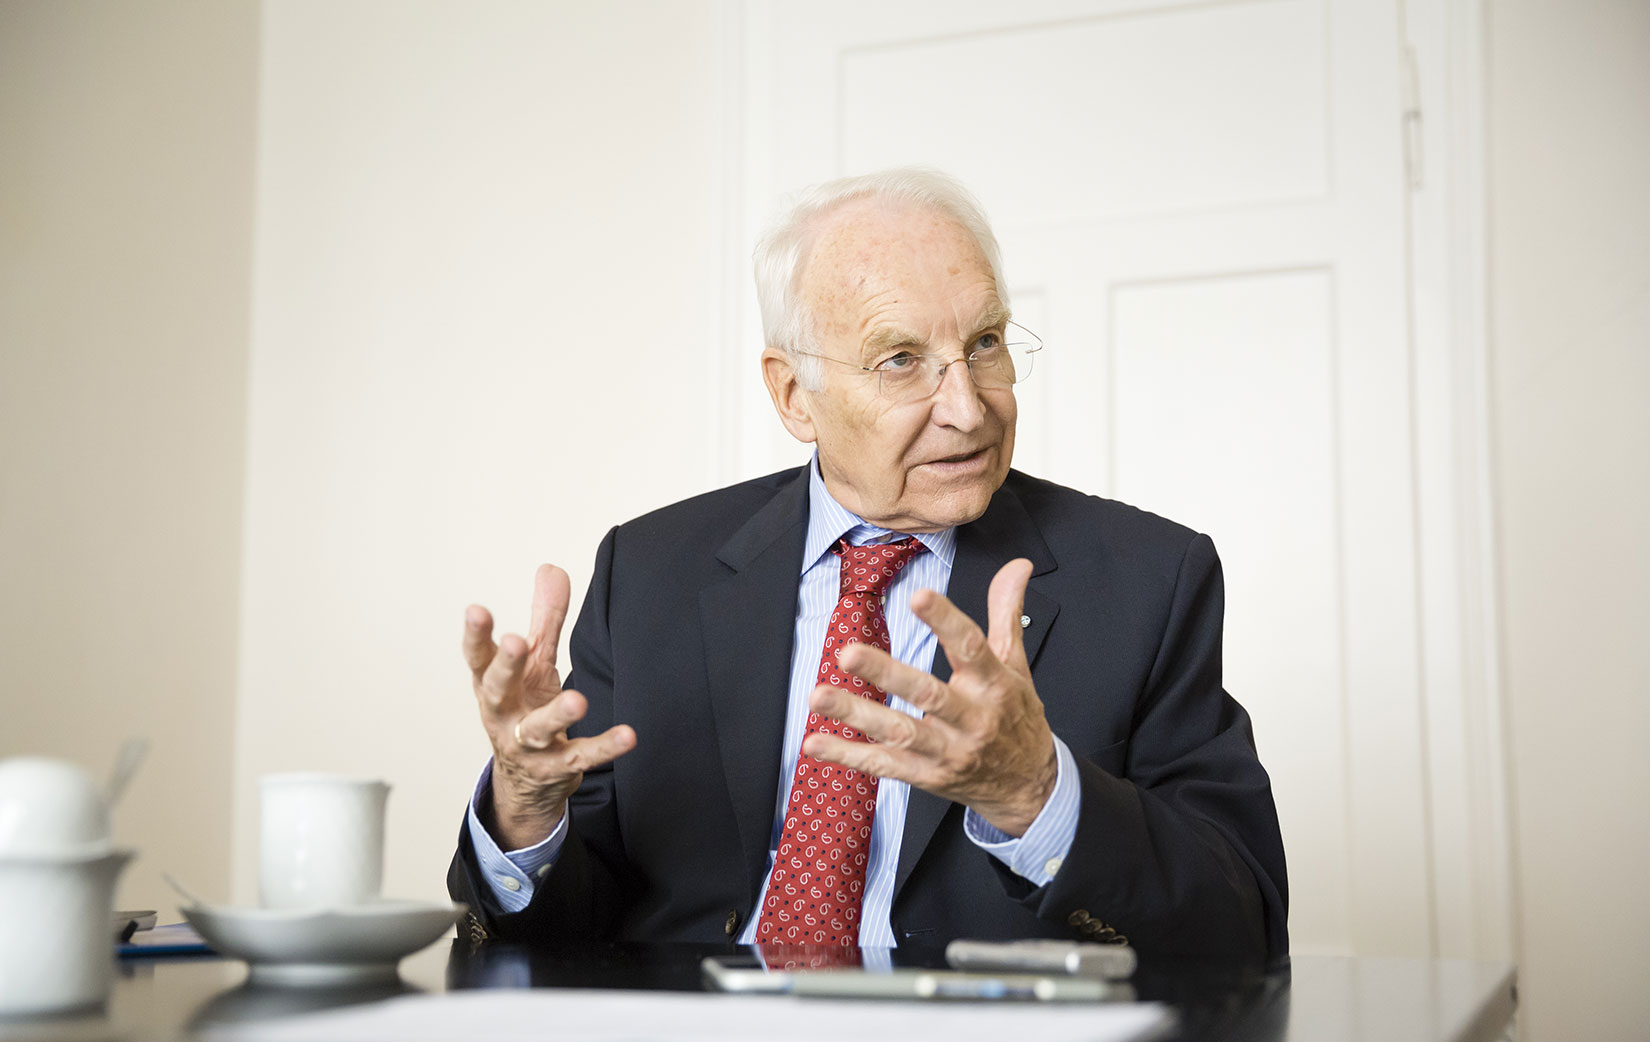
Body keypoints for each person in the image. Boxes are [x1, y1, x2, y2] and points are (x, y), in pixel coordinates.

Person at [447, 168, 1288, 962]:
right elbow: (567, 936)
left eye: (985, 342)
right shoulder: (651, 573)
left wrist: (1036, 795)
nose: (967, 409)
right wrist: (523, 809)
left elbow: (1244, 925)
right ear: (792, 395)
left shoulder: (1149, 580)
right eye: (900, 359)